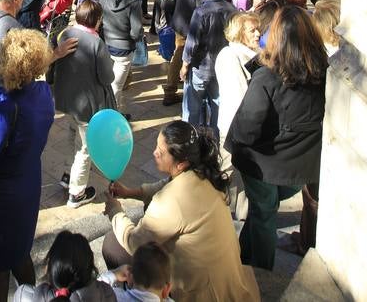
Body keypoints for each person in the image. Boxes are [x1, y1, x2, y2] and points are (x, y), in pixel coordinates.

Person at [102, 121, 259, 302]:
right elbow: (165, 185)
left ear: (181, 164)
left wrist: (116, 211)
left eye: (161, 152)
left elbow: (134, 242)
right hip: (229, 282)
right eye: (156, 146)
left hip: (203, 294)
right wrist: (130, 193)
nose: (155, 153)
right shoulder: (203, 172)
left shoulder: (171, 201)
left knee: (113, 245)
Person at [225, 6, 328, 270]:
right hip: (301, 163)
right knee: (263, 209)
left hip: (265, 164)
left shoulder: (267, 77)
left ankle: (259, 273)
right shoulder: (325, 72)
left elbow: (247, 127)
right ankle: (244, 256)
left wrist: (234, 145)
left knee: (263, 215)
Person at [0, 30, 55, 302]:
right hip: (28, 183)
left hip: (2, 196)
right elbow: (21, 115)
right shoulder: (44, 93)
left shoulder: (7, 109)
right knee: (20, 250)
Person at [53, 0, 116, 208]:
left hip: (65, 100)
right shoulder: (96, 43)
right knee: (85, 149)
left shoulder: (66, 34)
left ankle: (67, 176)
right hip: (87, 106)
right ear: (97, 20)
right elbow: (107, 77)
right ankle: (77, 192)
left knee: (72, 138)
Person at [214, 11, 261, 220]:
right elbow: (239, 98)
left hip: (242, 128)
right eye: (252, 30)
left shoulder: (249, 55)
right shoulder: (232, 57)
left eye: (258, 29)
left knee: (242, 177)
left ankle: (242, 215)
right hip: (236, 128)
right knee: (227, 172)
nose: (258, 34)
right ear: (239, 33)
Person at [180, 0, 236, 134]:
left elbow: (192, 42)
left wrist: (184, 65)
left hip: (201, 68)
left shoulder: (201, 12)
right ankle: (215, 139)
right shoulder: (231, 9)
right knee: (217, 106)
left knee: (192, 109)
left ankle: (192, 138)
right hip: (222, 69)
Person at [162, 0, 210, 106]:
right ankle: (172, 89)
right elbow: (200, 0)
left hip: (180, 18)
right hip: (191, 21)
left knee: (179, 52)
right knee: (184, 53)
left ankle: (171, 87)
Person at [15, 231, 116, 302]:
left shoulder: (28, 296)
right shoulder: (107, 294)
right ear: (91, 268)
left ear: (50, 268)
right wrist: (111, 276)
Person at [98, 0, 143, 115]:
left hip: (105, 44)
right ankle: (113, 116)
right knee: (116, 85)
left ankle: (105, 110)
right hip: (124, 49)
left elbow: (98, 17)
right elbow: (136, 31)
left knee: (107, 83)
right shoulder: (134, 2)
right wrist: (137, 38)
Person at [99, 241, 172, 301]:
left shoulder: (115, 297)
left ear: (130, 278)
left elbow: (94, 291)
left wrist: (114, 273)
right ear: (167, 290)